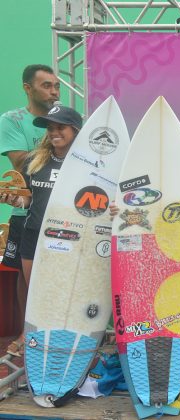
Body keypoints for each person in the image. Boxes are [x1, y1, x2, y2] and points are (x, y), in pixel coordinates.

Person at [0, 105, 82, 356]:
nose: (54, 132)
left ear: (75, 130)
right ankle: (30, 335)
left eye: (60, 127)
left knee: (64, 290)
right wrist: (15, 200)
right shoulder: (35, 160)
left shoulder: (87, 163)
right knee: (34, 289)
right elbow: (29, 200)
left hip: (69, 236)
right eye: (50, 128)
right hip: (34, 233)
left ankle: (66, 339)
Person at [0, 64, 60, 357]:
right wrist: (59, 147)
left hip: (61, 213)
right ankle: (27, 331)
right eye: (47, 86)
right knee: (25, 278)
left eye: (56, 86)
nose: (54, 92)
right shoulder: (13, 119)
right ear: (28, 88)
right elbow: (21, 162)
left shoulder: (64, 120)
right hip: (26, 213)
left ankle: (56, 331)